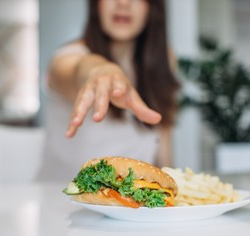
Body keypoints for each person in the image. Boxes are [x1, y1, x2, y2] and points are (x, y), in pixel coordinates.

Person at [38, 0, 180, 181]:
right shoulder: (66, 58)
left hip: (134, 203)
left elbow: (163, 146)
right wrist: (100, 71)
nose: (123, 3)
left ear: (152, 7)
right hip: (59, 200)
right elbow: (79, 69)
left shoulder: (164, 61)